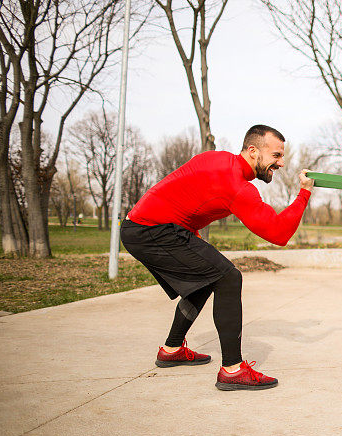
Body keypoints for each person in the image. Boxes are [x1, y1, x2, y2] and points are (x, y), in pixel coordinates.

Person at [120, 124, 314, 391]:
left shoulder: (217, 159)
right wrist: (304, 194)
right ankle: (233, 370)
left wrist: (190, 231)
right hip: (152, 231)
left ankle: (171, 349)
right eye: (276, 155)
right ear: (253, 151)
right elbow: (278, 233)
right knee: (228, 278)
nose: (281, 163)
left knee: (207, 278)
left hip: (146, 227)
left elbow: (184, 193)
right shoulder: (236, 185)